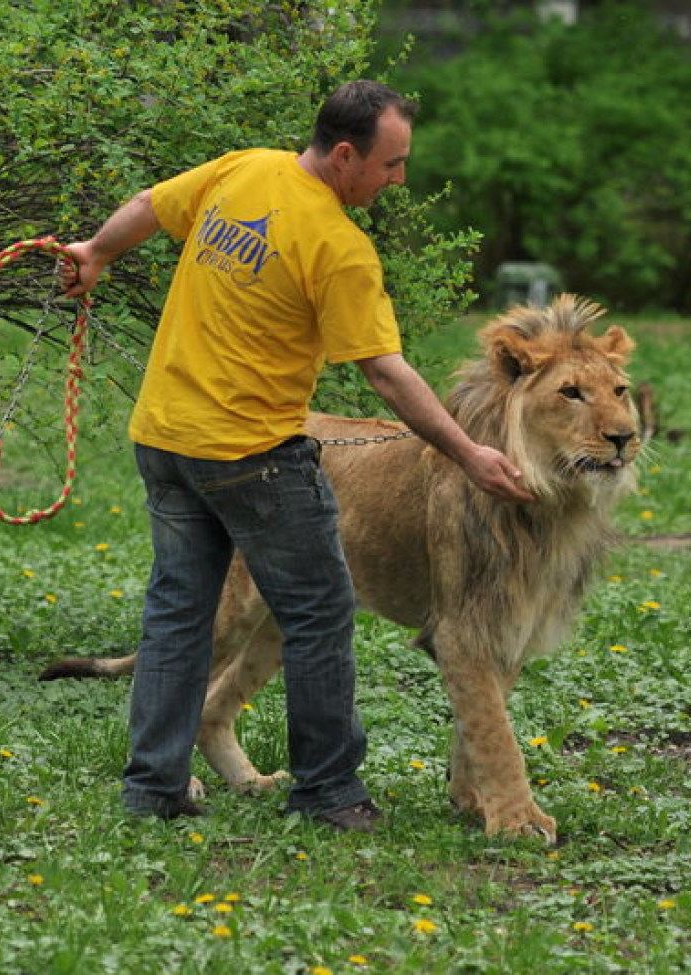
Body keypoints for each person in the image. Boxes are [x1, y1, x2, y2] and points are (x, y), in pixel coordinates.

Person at [60, 80, 533, 832]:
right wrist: (470, 452)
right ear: (345, 156)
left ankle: (153, 787)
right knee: (318, 612)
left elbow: (152, 205)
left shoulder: (242, 169)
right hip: (251, 457)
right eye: (390, 164)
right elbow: (385, 369)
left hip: (164, 437)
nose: (398, 179)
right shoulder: (338, 245)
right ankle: (329, 791)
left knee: (179, 613)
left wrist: (95, 251)